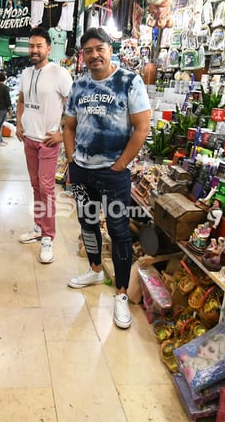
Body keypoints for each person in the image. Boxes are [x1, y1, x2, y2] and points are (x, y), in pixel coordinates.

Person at [63, 27, 151, 329]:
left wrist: (120, 165)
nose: (94, 55)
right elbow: (69, 126)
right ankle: (96, 269)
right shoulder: (79, 85)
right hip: (83, 171)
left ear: (110, 50)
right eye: (88, 51)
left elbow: (142, 128)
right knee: (87, 223)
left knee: (119, 231)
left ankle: (122, 295)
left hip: (113, 175)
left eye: (99, 48)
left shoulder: (129, 81)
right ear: (83, 56)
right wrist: (72, 159)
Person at [16, 27, 73, 264]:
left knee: (47, 190)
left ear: (49, 48)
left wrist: (62, 133)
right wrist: (19, 124)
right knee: (36, 186)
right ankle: (39, 227)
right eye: (31, 46)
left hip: (48, 143)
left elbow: (74, 106)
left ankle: (48, 236)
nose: (34, 50)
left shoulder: (60, 74)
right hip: (29, 140)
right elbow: (21, 100)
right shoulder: (26, 74)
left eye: (39, 46)